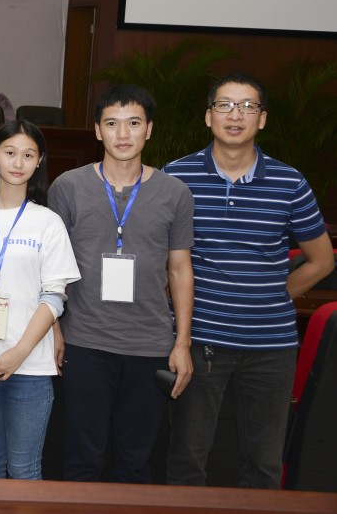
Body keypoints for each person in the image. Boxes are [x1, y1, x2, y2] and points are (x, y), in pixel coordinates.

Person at [164, 73, 333, 488]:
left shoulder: (290, 183)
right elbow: (160, 260)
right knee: (187, 459)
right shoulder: (176, 178)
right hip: (198, 341)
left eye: (247, 106)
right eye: (224, 105)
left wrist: (271, 296)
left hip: (271, 347)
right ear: (209, 117)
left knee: (263, 464)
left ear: (262, 119)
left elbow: (322, 260)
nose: (235, 115)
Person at [48, 84, 195, 483]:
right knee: (82, 460)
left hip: (149, 346)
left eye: (133, 123)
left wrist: (182, 343)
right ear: (98, 131)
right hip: (85, 342)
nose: (123, 134)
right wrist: (54, 329)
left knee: (135, 463)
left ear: (149, 129)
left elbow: (180, 269)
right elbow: (51, 268)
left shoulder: (175, 193)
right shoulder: (68, 187)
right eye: (112, 124)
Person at [0, 120, 80, 480]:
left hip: (30, 365)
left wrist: (20, 352)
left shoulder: (48, 222)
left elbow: (54, 296)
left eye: (28, 155)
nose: (18, 162)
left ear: (39, 161)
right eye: (10, 152)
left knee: (26, 469)